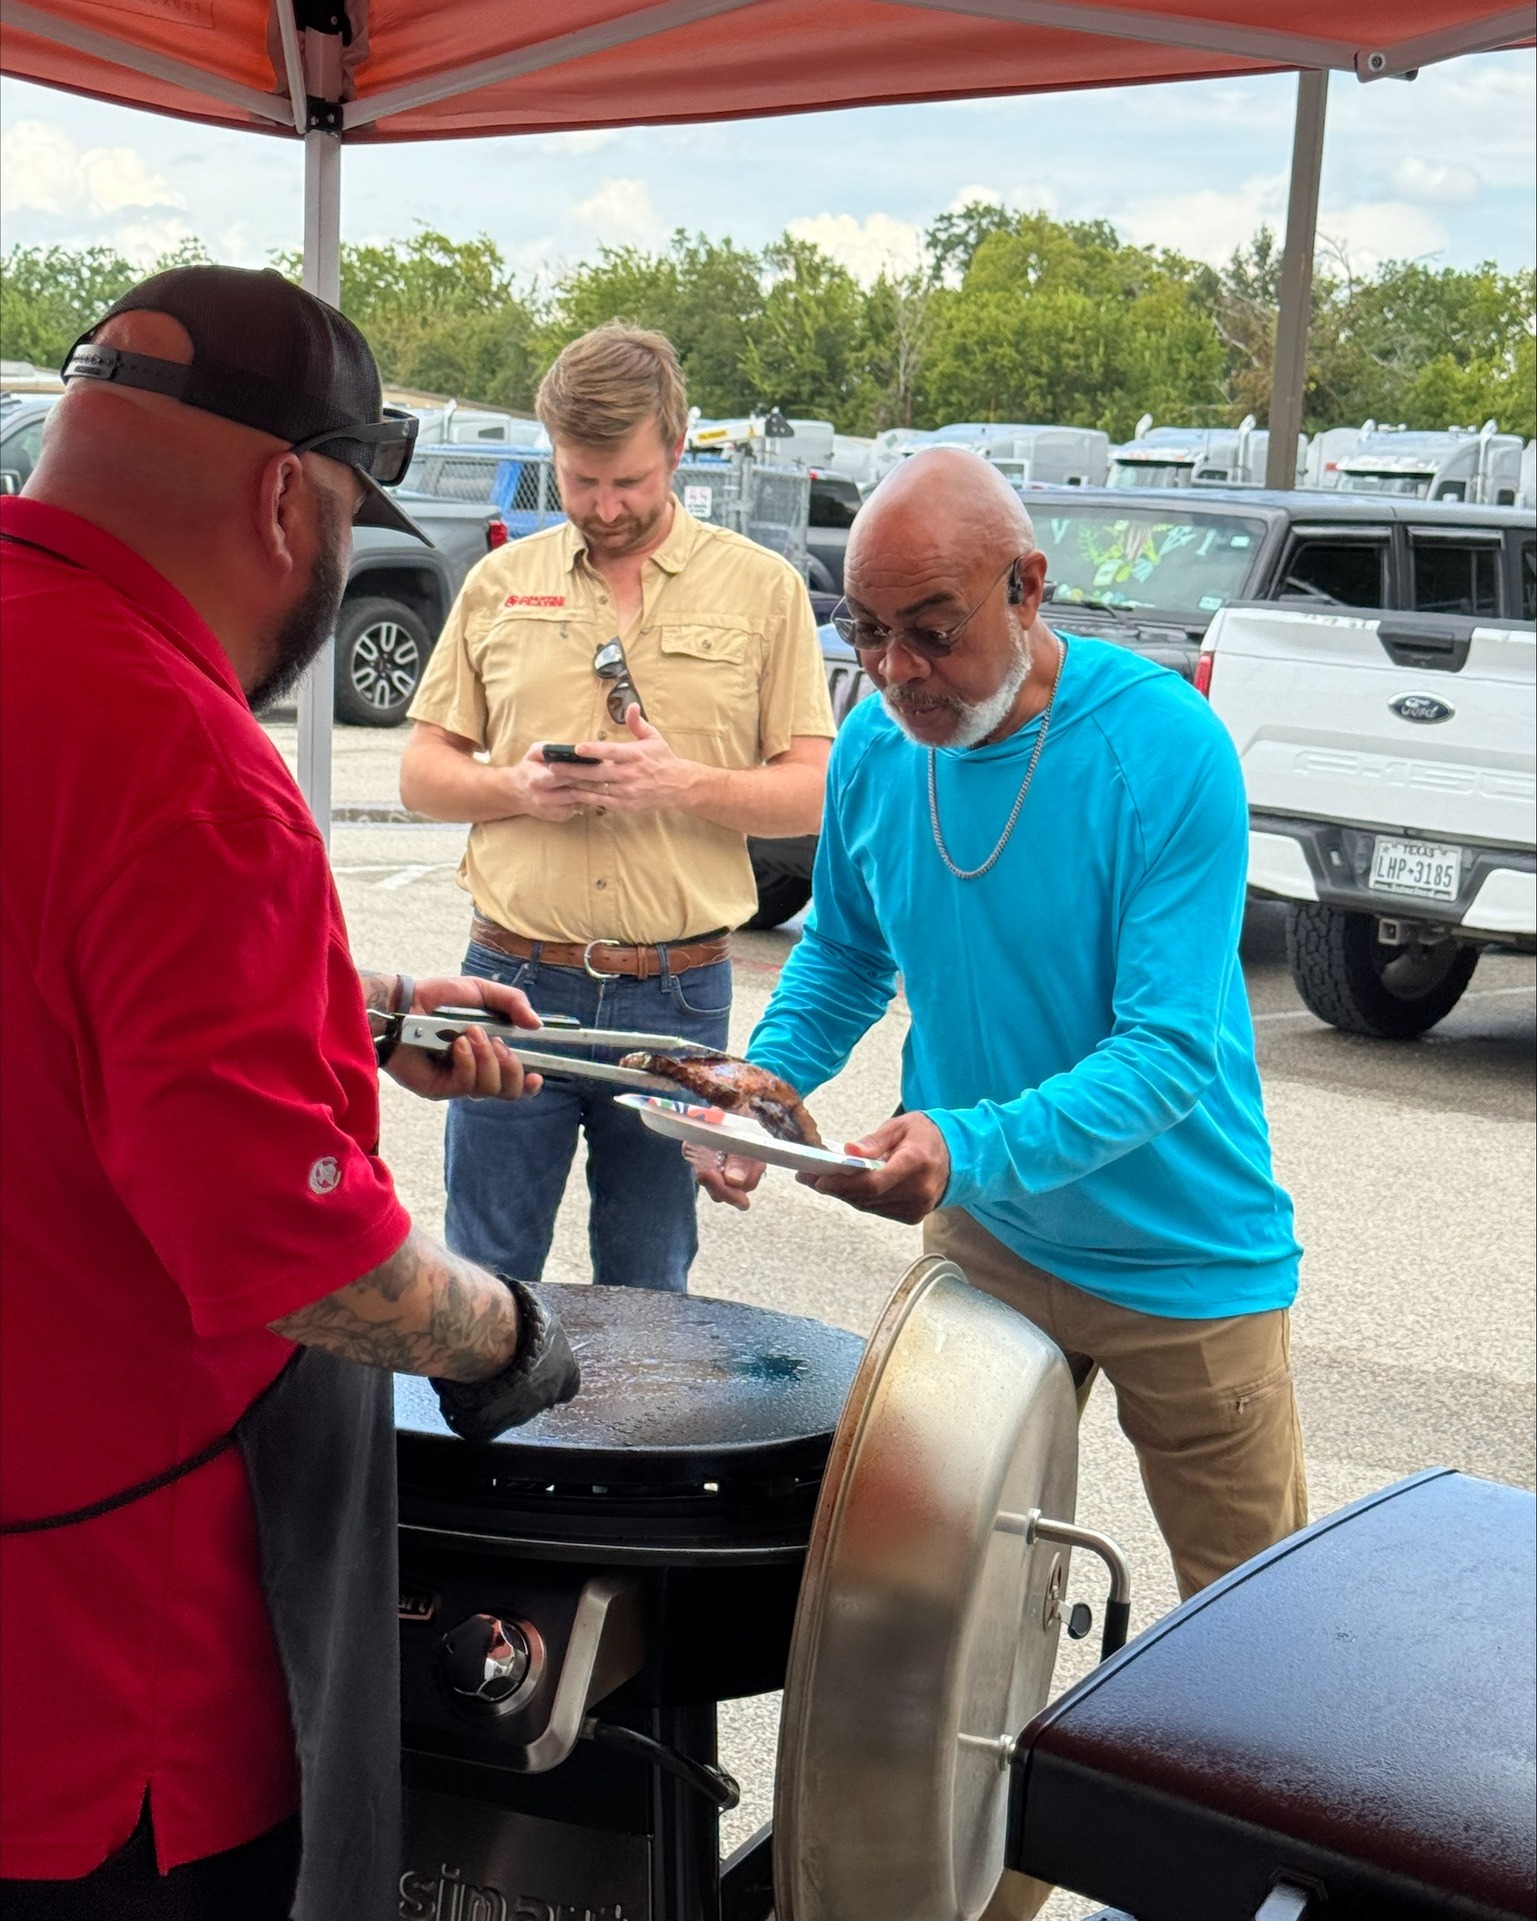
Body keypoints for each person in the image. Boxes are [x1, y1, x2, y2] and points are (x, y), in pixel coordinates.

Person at [0, 266, 578, 1921]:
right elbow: (305, 1262)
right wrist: (508, 1337)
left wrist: (350, 1001)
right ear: (284, 500)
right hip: (107, 1698)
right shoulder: (178, 760)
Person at [698, 450, 1308, 1596]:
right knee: (926, 1602)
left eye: (930, 628)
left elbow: (1169, 1048)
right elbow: (844, 948)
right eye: (866, 632)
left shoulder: (1164, 748)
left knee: (1253, 1631)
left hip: (1185, 1256)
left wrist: (961, 1146)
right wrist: (764, 1081)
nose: (895, 670)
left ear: (1026, 585)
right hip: (988, 1236)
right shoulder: (880, 746)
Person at [401, 323, 834, 1293]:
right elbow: (421, 772)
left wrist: (685, 784)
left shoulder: (762, 592)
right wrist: (512, 788)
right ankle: (483, 1453)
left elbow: (813, 788)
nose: (603, 506)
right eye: (580, 480)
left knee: (649, 1285)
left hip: (676, 993)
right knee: (481, 1281)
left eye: (629, 482)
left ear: (678, 448)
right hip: (511, 980)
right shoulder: (500, 584)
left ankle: (629, 1451)